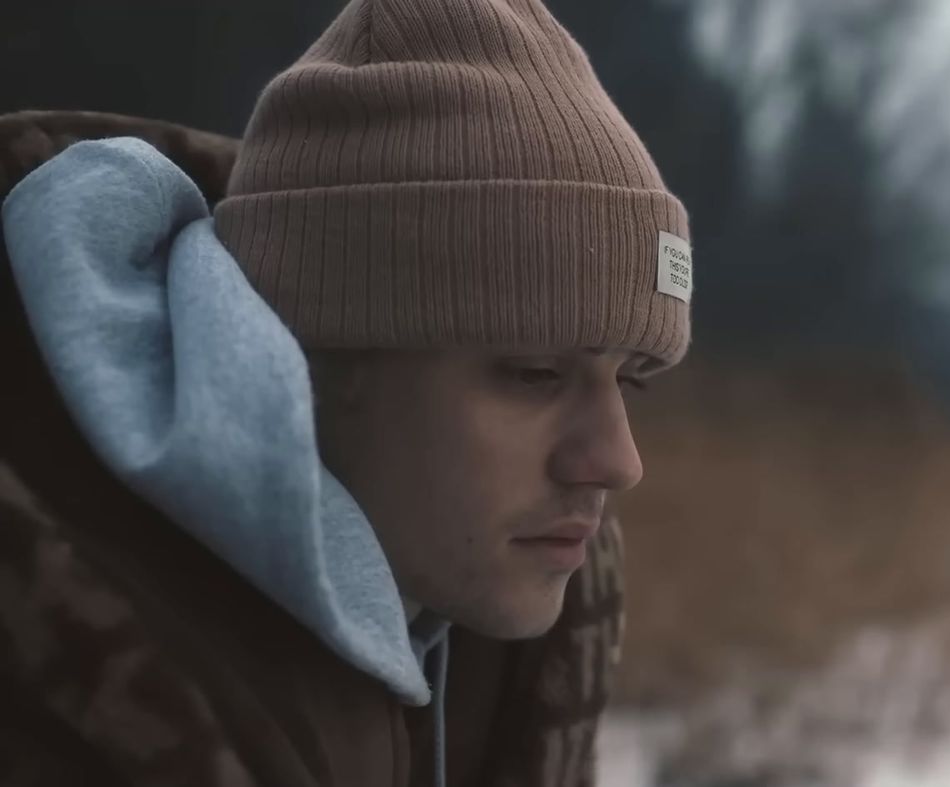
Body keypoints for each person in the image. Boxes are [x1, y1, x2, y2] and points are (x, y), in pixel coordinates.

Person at [0, 0, 691, 784]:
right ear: (316, 356)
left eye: (628, 378)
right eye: (536, 373)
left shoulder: (493, 652)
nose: (618, 459)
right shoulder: (53, 696)